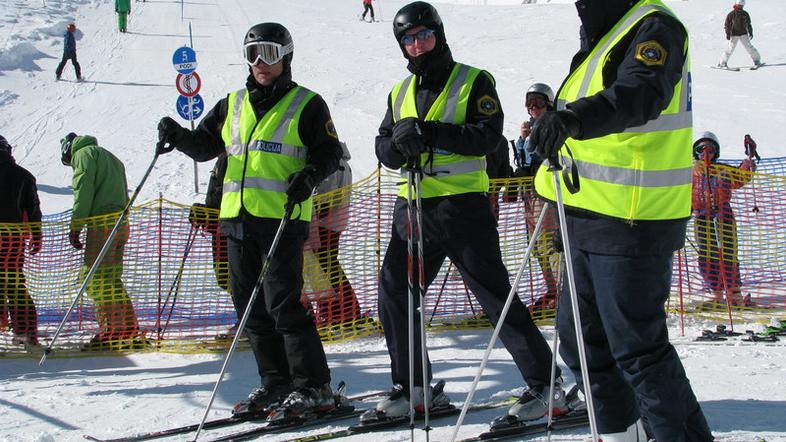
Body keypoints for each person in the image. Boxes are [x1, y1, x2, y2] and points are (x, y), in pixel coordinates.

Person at [370, 1, 567, 424]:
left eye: (425, 35)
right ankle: (413, 386)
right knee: (395, 293)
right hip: (414, 210)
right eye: (409, 40)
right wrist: (398, 145)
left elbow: (487, 137)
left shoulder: (473, 80)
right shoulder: (399, 92)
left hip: (463, 209)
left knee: (495, 296)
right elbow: (382, 145)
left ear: (438, 34)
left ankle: (547, 386)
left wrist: (429, 132)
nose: (418, 45)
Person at [530, 0, 713, 440]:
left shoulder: (654, 25)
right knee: (580, 340)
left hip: (634, 216)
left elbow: (641, 94)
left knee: (637, 350)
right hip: (587, 210)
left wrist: (572, 119)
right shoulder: (604, 30)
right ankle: (622, 434)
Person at [156, 22, 343, 418]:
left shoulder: (307, 104)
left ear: (286, 57)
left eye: (270, 54)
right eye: (253, 53)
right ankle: (275, 383)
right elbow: (207, 147)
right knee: (249, 306)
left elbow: (328, 153)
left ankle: (314, 387)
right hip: (237, 221)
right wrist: (177, 134)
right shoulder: (232, 103)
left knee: (283, 305)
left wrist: (309, 176)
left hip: (281, 219)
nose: (261, 62)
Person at [61, 133, 142, 351]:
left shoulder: (83, 155)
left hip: (102, 223)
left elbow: (83, 192)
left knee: (94, 277)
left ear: (69, 151)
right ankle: (129, 329)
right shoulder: (111, 157)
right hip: (120, 223)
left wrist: (75, 226)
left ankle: (112, 332)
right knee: (111, 278)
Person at [692, 131, 756, 311]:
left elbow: (742, 177)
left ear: (716, 152)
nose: (705, 154)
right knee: (707, 252)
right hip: (701, 215)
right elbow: (682, 194)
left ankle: (733, 291)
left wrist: (748, 161)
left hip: (723, 213)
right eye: (701, 149)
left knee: (728, 250)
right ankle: (716, 292)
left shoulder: (723, 171)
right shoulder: (691, 173)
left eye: (710, 150)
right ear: (695, 152)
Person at [511, 83, 560, 318]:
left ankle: (564, 292)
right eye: (530, 105)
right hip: (530, 192)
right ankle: (553, 291)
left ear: (548, 103)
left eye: (538, 103)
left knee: (549, 243)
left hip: (547, 192)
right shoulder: (530, 128)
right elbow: (524, 159)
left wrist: (529, 140)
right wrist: (521, 141)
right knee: (536, 245)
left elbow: (546, 154)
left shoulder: (554, 125)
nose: (534, 109)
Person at [306, 142, 364, 329]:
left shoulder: (334, 164)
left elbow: (325, 198)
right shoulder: (340, 163)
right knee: (324, 267)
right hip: (330, 222)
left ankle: (344, 311)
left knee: (325, 266)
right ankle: (337, 310)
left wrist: (313, 209)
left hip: (325, 223)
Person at [0, 135, 42, 347]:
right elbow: (33, 209)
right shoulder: (23, 176)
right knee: (15, 284)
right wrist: (37, 235)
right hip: (12, 240)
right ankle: (26, 333)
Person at [718, 0, 762, 69]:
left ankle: (757, 60)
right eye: (739, 5)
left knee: (749, 47)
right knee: (730, 48)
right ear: (736, 4)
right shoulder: (731, 14)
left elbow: (748, 24)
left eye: (742, 6)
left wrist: (750, 32)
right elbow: (727, 25)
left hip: (743, 33)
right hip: (734, 34)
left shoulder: (745, 14)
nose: (740, 7)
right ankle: (722, 63)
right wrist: (728, 33)